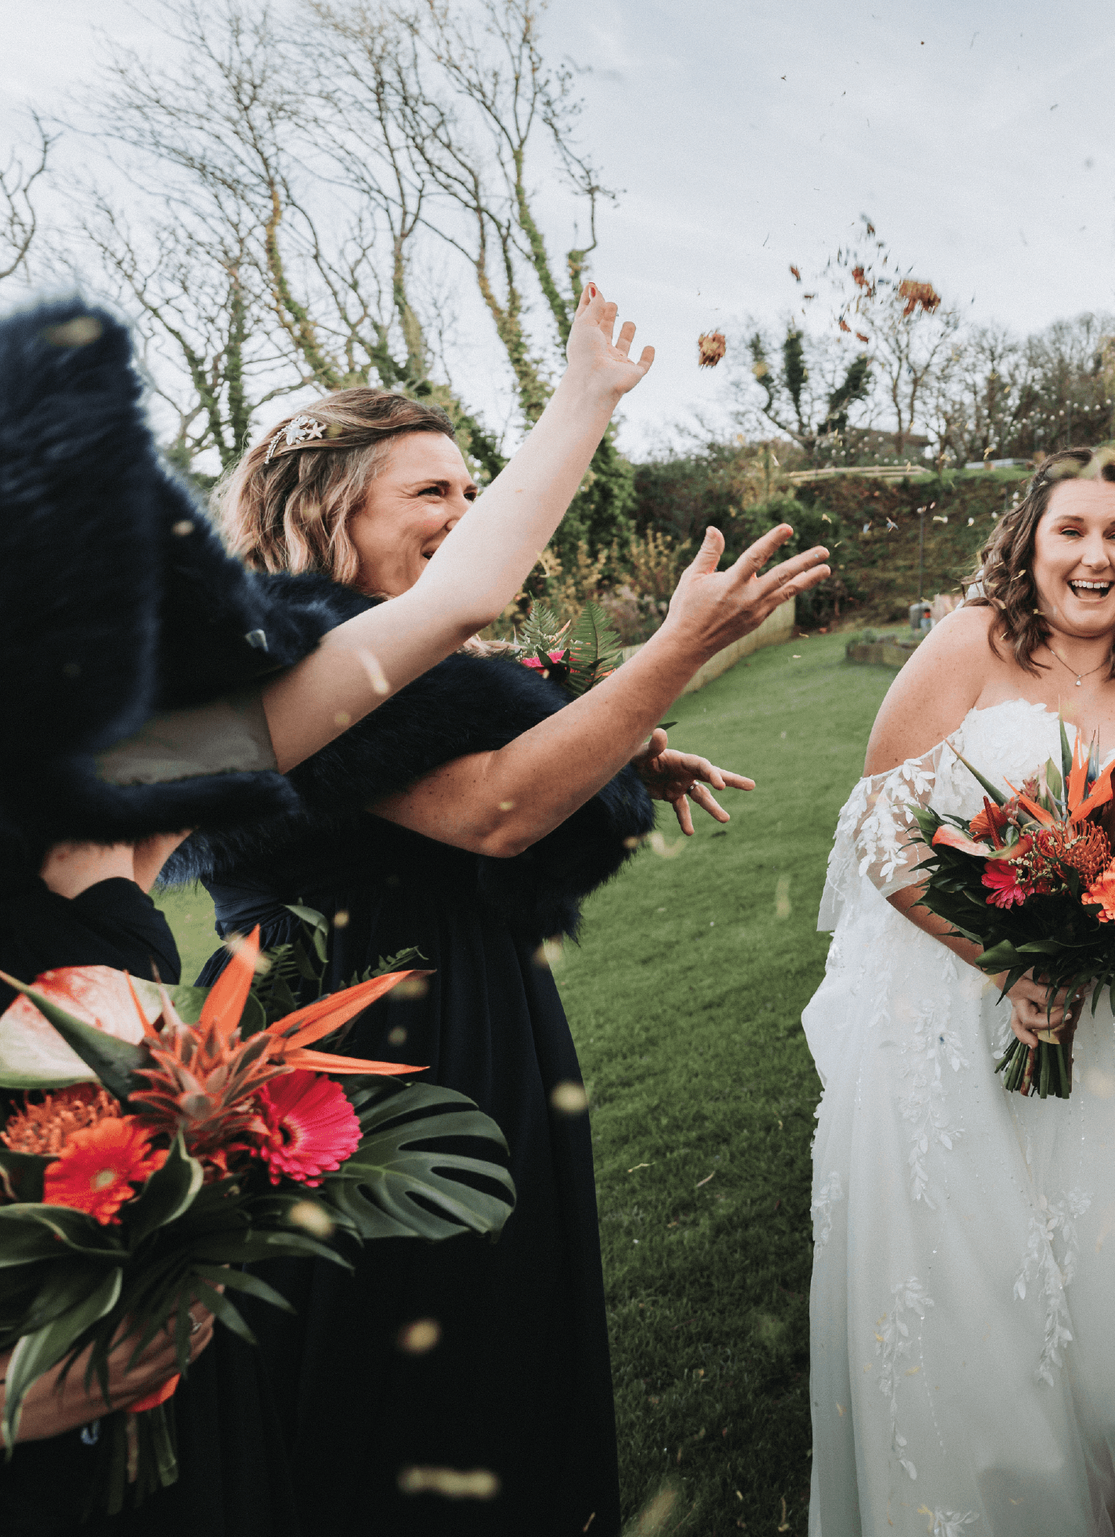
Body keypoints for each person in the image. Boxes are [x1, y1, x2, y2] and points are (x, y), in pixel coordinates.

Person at [0, 287, 660, 1531]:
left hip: (151, 1336)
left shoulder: (120, 785)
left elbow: (448, 609)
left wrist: (583, 407)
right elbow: (491, 800)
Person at [165, 355, 828, 1535]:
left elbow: (500, 780)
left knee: (505, 1321)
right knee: (412, 1347)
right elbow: (493, 809)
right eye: (431, 493)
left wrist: (622, 752)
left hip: (480, 1005)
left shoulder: (388, 662)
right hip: (359, 1029)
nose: (465, 518)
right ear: (326, 508)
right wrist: (670, 653)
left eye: (471, 492)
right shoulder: (286, 657)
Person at [802, 448, 1115, 1536]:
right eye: (1071, 532)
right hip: (948, 1013)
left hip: (1105, 1022)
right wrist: (1004, 965)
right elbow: (875, 828)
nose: (1095, 556)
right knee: (973, 1296)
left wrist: (1098, 943)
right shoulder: (969, 645)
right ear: (1029, 544)